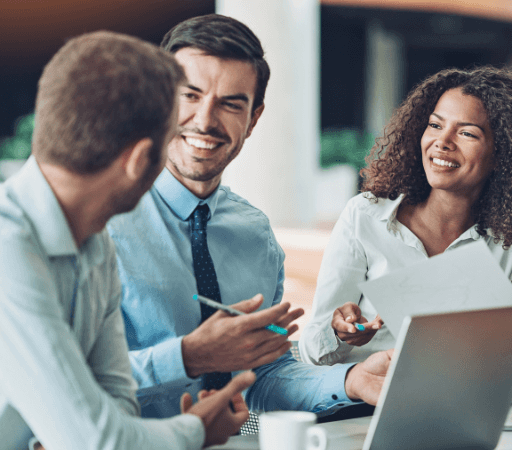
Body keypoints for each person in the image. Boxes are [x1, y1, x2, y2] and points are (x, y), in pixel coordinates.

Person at [106, 14, 391, 421]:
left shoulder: (254, 234)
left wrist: (349, 380)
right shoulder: (99, 220)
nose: (205, 120)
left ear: (253, 119)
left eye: (230, 104)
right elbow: (64, 380)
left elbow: (264, 375)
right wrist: (189, 357)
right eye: (190, 96)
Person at [0, 31, 255, 450]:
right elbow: (97, 439)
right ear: (140, 160)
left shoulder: (96, 246)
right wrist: (192, 430)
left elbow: (116, 408)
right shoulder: (8, 244)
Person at [299, 66, 512, 401]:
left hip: (463, 414)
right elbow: (313, 352)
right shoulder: (366, 217)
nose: (442, 142)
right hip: (362, 410)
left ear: (502, 155)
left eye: (468, 134)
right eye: (435, 125)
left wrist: (470, 391)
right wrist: (339, 334)